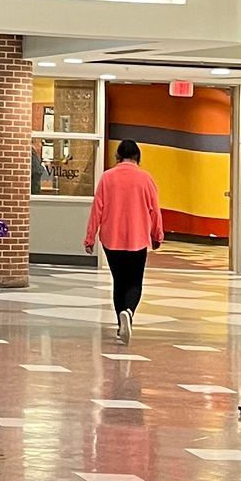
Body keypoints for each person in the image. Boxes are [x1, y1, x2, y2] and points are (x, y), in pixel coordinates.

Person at [84, 138, 164, 341]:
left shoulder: (107, 177)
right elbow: (155, 211)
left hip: (111, 239)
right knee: (134, 281)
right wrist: (157, 235)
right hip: (138, 238)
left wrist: (90, 237)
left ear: (117, 156)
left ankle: (121, 324)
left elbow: (97, 209)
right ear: (138, 157)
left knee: (119, 281)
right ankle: (128, 312)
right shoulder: (146, 179)